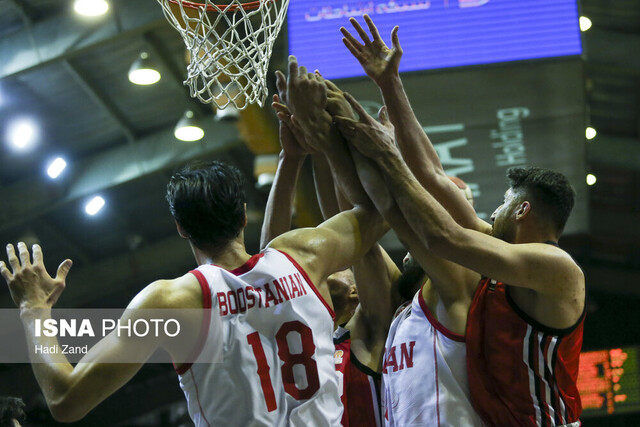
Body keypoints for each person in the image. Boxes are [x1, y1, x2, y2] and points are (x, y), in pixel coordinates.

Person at [0, 60, 386, 424]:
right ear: (241, 216)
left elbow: (65, 401)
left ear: (181, 228)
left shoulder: (173, 303)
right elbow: (380, 208)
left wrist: (33, 309)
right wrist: (326, 138)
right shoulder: (305, 255)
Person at [335, 18, 585, 426]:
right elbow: (434, 175)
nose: (490, 214)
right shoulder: (500, 254)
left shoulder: (556, 269)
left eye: (503, 204)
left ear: (523, 211)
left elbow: (441, 236)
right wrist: (389, 83)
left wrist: (386, 155)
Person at [264, 70, 399, 426]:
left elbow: (351, 225)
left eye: (340, 264)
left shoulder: (369, 332)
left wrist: (324, 141)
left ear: (357, 290)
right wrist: (291, 158)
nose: (325, 264)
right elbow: (270, 260)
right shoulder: (310, 333)